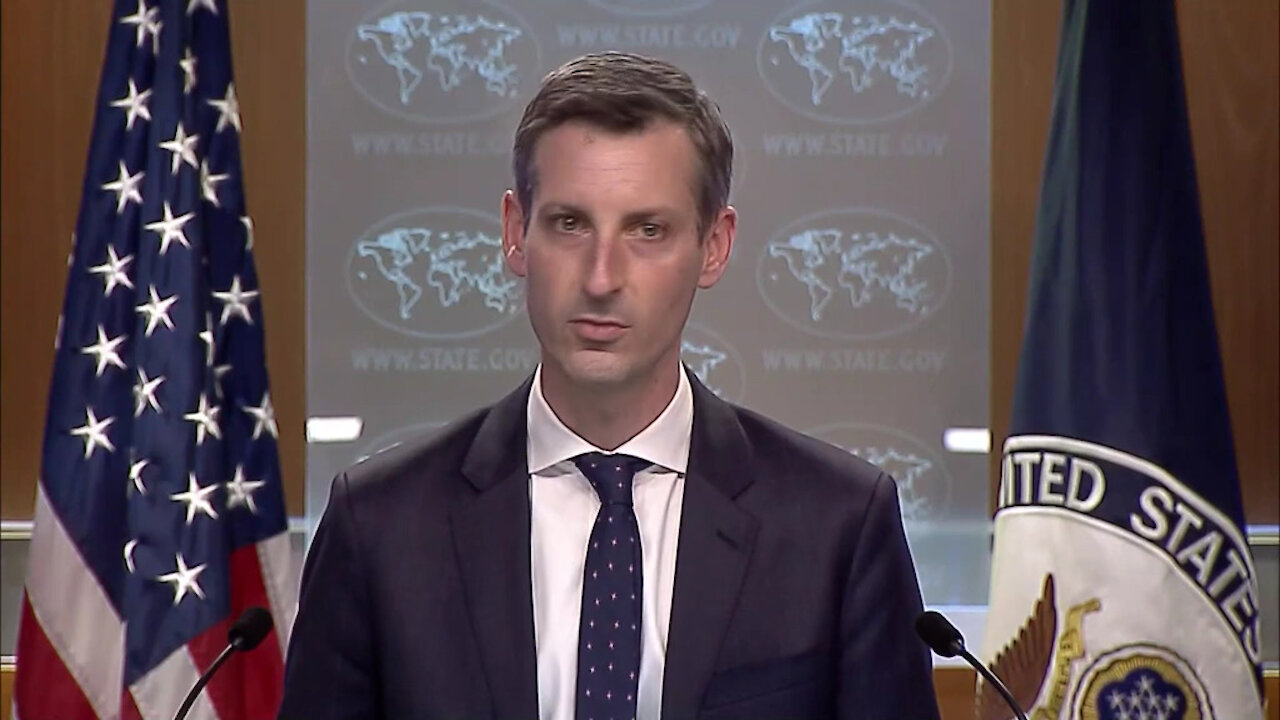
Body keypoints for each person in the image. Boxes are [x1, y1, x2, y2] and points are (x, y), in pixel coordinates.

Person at [278, 51, 941, 720]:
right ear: (516, 233)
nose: (601, 278)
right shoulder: (381, 528)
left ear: (714, 246)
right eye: (569, 224)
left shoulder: (838, 527)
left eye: (648, 231)